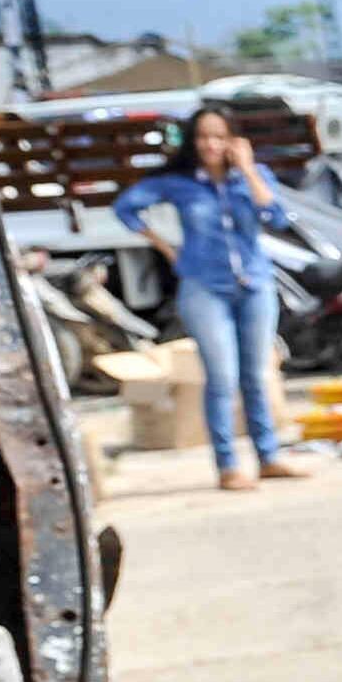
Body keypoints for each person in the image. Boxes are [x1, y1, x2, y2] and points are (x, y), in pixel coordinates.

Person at [118, 106, 313, 493]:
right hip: (205, 287)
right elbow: (126, 207)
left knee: (257, 374)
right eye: (203, 137)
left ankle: (268, 457)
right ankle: (227, 465)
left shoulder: (249, 178)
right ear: (193, 142)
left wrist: (250, 169)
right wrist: (166, 248)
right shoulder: (180, 182)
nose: (210, 144)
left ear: (232, 140)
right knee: (222, 377)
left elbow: (274, 216)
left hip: (254, 283)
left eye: (219, 136)